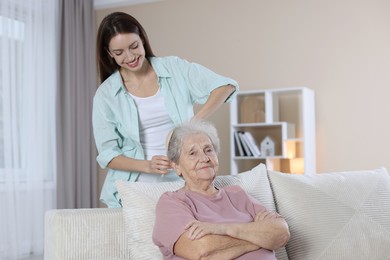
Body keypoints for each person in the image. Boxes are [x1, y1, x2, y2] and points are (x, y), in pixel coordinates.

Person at [93, 12, 238, 208]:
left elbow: (226, 86)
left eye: (134, 46)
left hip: (185, 179)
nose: (129, 57)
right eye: (119, 53)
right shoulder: (106, 94)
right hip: (136, 186)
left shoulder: (174, 68)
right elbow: (108, 154)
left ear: (143, 40)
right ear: (109, 53)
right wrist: (147, 166)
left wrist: (194, 122)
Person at [153, 120, 290, 260]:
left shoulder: (237, 194)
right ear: (176, 166)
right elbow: (201, 251)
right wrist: (259, 239)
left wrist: (224, 229)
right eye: (192, 153)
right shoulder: (172, 202)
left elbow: (281, 233)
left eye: (208, 150)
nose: (205, 158)